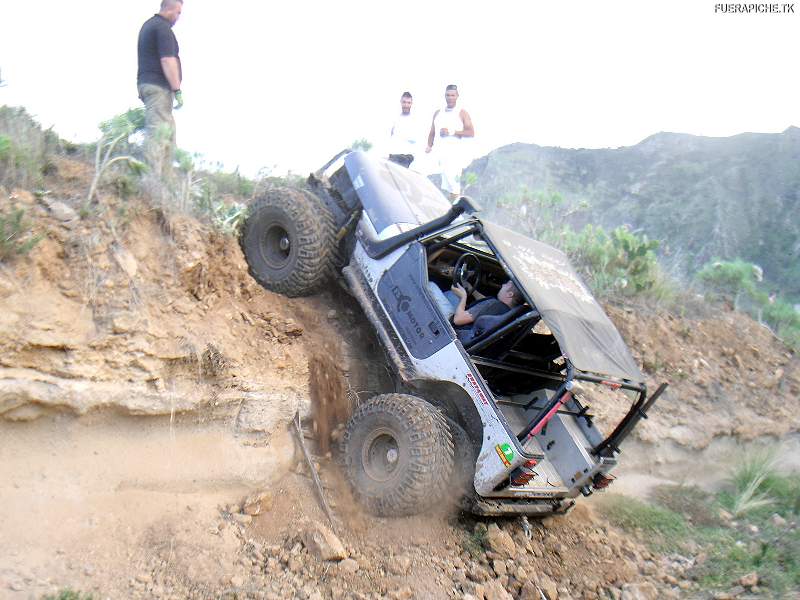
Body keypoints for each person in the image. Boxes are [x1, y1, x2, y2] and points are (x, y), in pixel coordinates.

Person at [137, 0, 183, 180]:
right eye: (178, 13)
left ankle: (164, 184)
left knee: (168, 137)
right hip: (158, 88)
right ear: (170, 9)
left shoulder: (149, 25)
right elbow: (167, 60)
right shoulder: (162, 29)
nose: (178, 17)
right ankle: (150, 184)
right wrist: (177, 89)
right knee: (158, 135)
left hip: (149, 85)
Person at [426, 84, 474, 200]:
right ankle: (450, 212)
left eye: (452, 95)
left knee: (454, 186)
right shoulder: (438, 113)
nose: (450, 98)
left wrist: (452, 132)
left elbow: (471, 132)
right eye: (448, 95)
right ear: (445, 96)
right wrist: (428, 145)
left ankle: (458, 215)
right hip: (439, 155)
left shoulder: (462, 112)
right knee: (445, 185)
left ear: (457, 96)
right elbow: (432, 131)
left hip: (455, 155)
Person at [388, 92, 418, 168]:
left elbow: (415, 139)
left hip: (407, 157)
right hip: (393, 155)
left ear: (411, 104)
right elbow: (391, 136)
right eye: (404, 102)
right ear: (401, 102)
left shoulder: (415, 120)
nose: (406, 105)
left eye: (408, 103)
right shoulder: (395, 118)